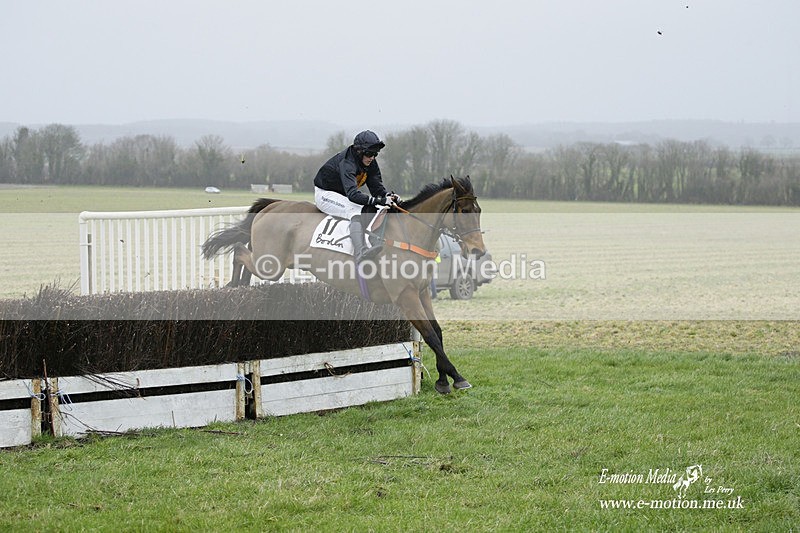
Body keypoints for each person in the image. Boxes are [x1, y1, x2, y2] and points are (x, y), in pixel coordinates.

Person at [313, 130, 399, 263]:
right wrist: (379, 200)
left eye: (375, 154)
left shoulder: (370, 163)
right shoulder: (347, 163)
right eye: (369, 154)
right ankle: (360, 252)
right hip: (325, 194)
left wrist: (388, 196)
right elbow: (353, 195)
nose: (372, 157)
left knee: (376, 208)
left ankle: (373, 240)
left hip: (343, 195)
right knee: (355, 210)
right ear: (359, 151)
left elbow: (377, 188)